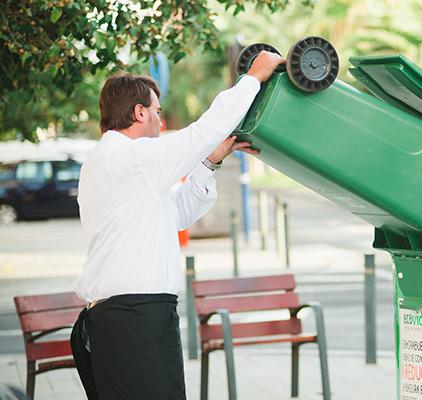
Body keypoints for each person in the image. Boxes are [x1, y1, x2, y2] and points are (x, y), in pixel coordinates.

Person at [69, 51, 285, 399]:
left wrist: (210, 162)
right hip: (134, 319)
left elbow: (176, 213)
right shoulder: (131, 158)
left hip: (131, 318)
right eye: (156, 112)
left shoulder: (116, 164)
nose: (161, 122)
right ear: (139, 112)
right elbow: (205, 131)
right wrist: (253, 78)